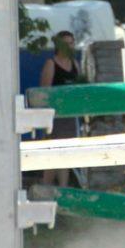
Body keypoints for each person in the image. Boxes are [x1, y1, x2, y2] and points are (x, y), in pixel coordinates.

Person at [39, 31, 80, 186]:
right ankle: (46, 189)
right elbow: (44, 93)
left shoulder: (74, 64)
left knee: (66, 153)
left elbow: (79, 89)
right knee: (52, 154)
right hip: (54, 117)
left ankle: (63, 189)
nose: (69, 46)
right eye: (65, 43)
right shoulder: (51, 64)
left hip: (70, 116)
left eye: (71, 43)